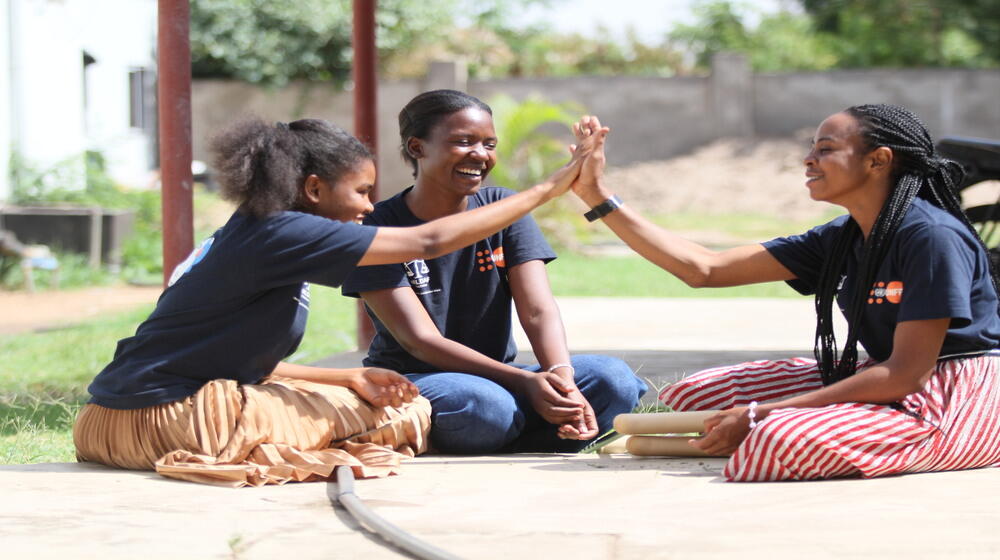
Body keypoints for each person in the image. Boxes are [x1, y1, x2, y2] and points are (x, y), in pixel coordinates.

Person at [73, 116, 598, 486]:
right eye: (361, 192)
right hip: (173, 422)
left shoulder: (260, 232)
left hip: (108, 421)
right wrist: (548, 190)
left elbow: (229, 358)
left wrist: (345, 375)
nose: (370, 208)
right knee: (400, 414)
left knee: (354, 397)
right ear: (314, 189)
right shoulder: (286, 231)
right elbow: (429, 241)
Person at [569, 105, 1000, 481]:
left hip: (955, 391)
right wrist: (596, 194)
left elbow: (908, 375)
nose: (808, 160)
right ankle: (838, 425)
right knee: (696, 395)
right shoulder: (844, 236)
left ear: (879, 160)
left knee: (780, 439)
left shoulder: (931, 237)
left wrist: (762, 415)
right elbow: (704, 269)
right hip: (888, 377)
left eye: (825, 149)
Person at [342, 90, 647, 454]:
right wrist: (523, 382)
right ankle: (519, 425)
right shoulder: (377, 227)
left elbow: (537, 310)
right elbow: (419, 340)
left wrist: (561, 380)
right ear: (417, 147)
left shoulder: (504, 207)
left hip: (504, 380)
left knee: (614, 380)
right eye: (463, 142)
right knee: (482, 407)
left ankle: (536, 423)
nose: (480, 154)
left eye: (489, 144)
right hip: (422, 378)